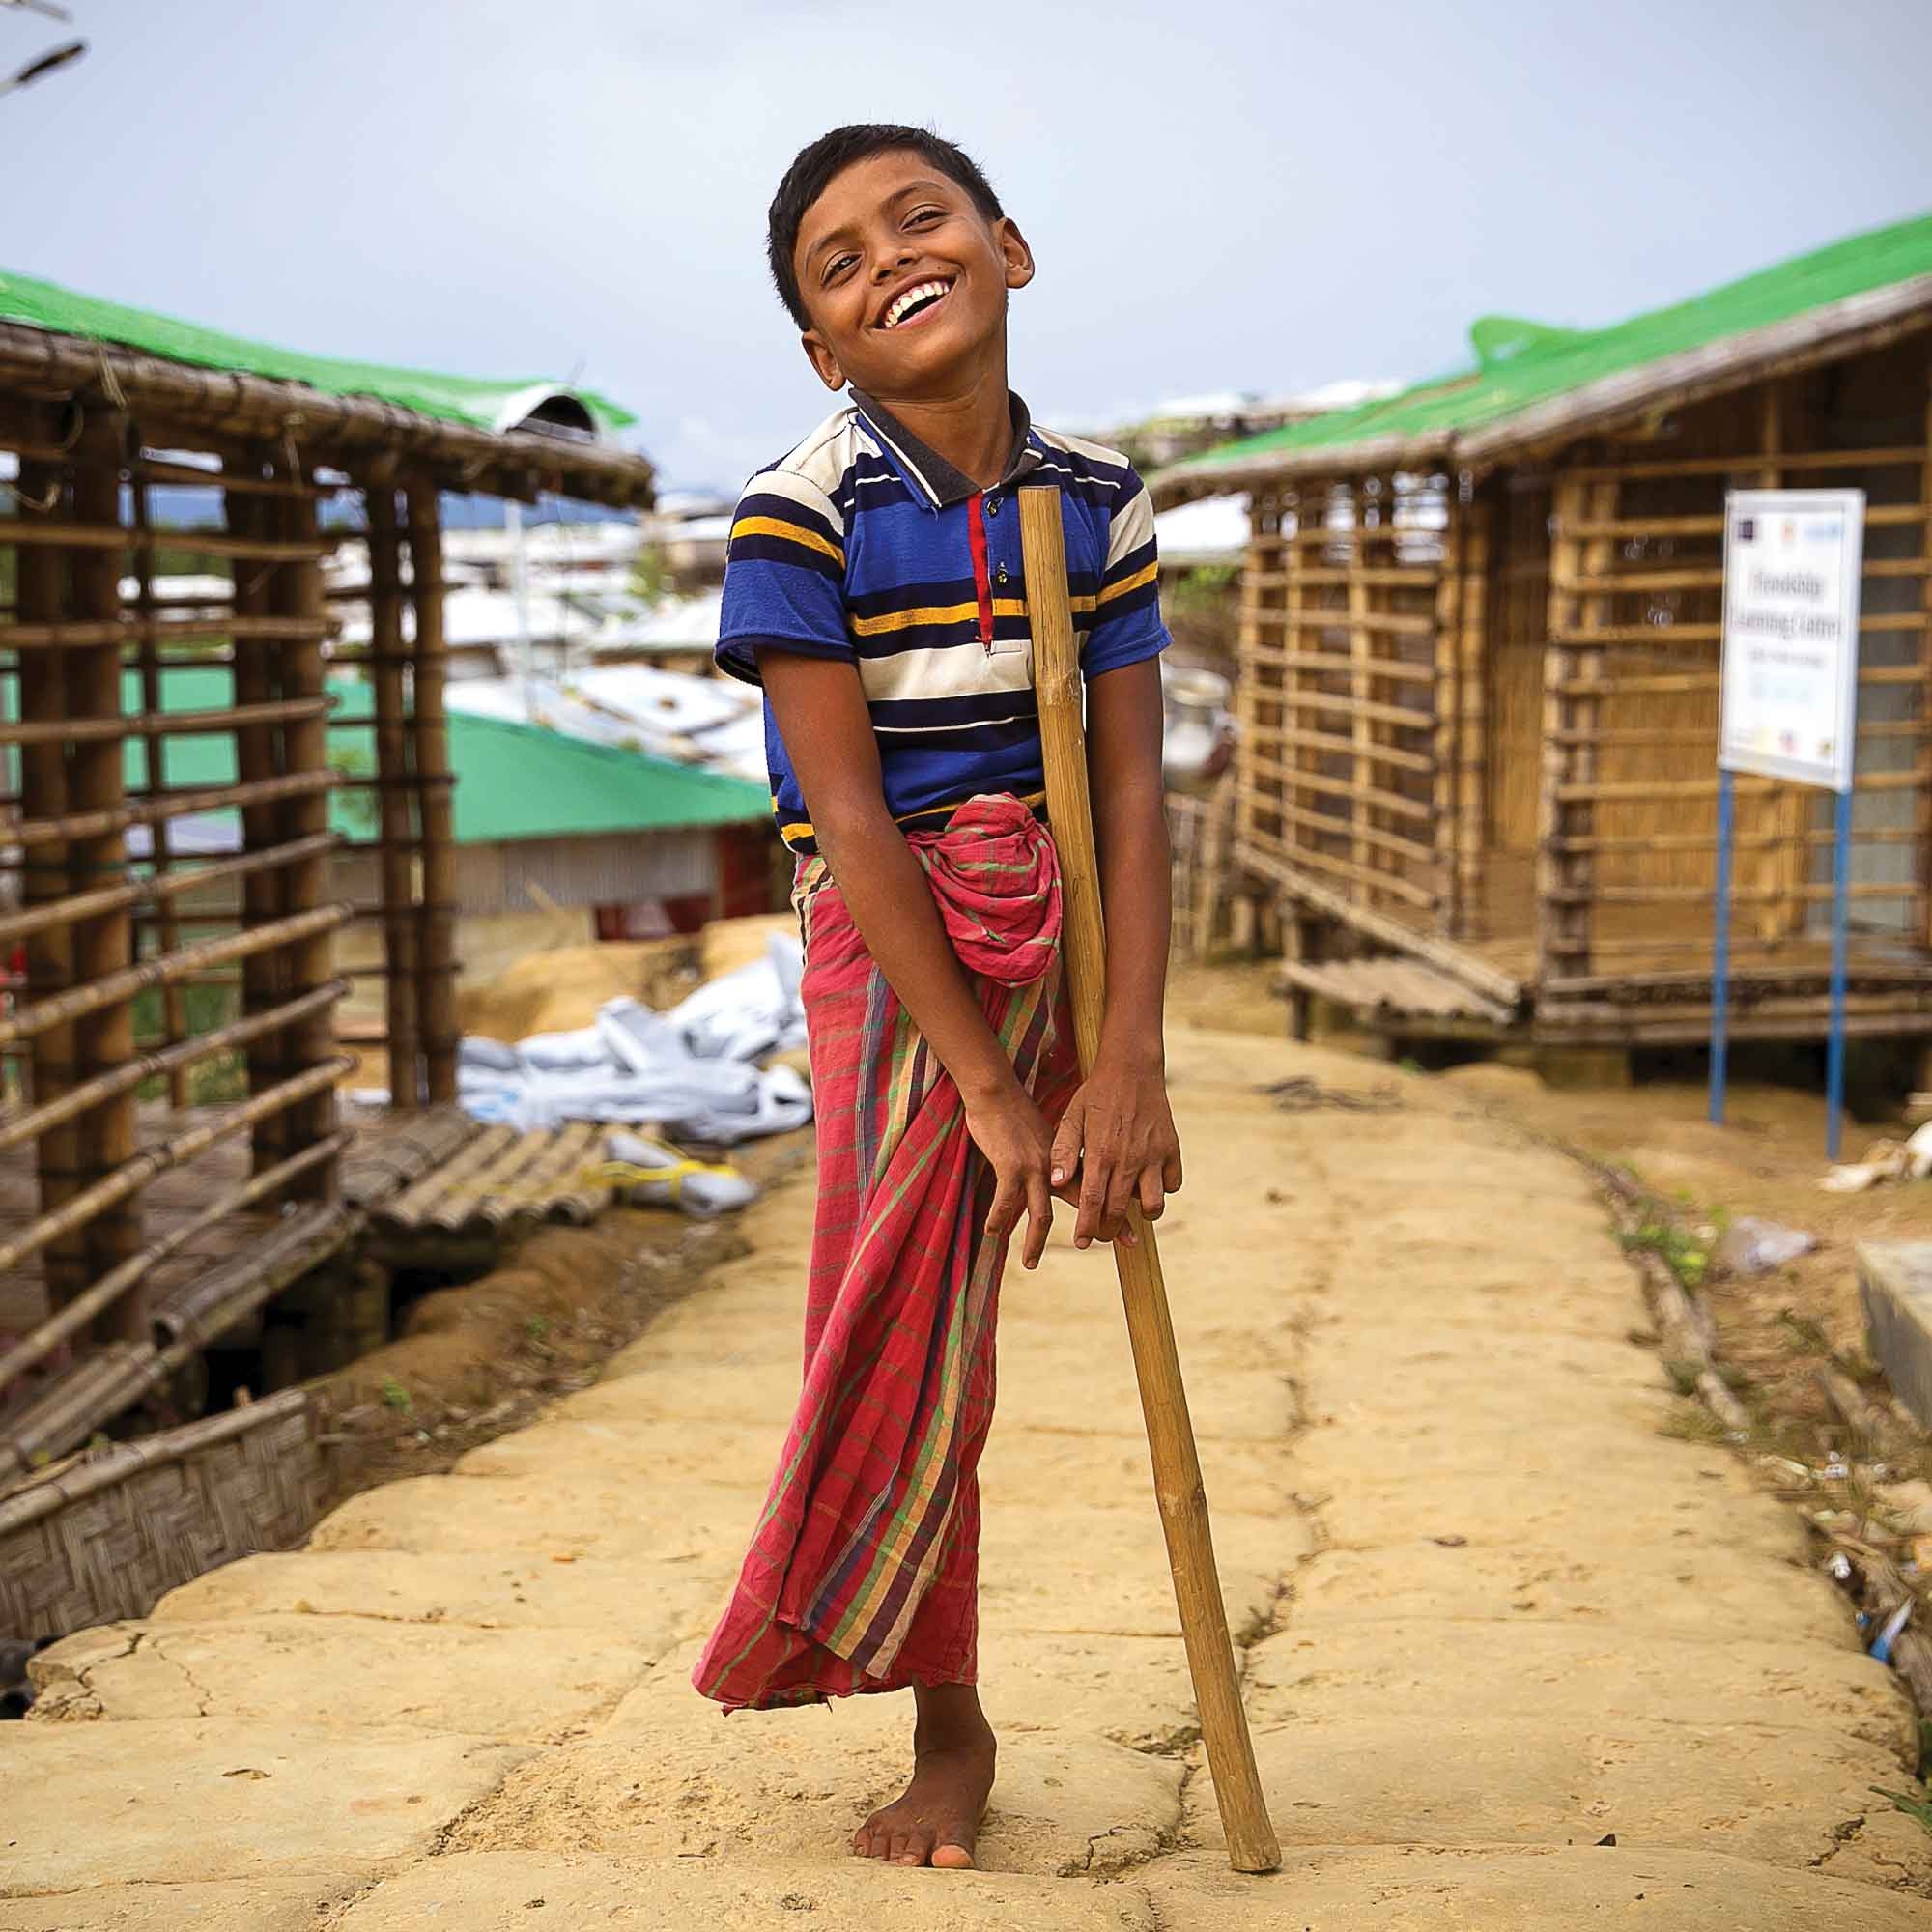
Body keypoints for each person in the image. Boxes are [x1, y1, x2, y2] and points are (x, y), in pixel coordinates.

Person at [692, 123, 1181, 1872]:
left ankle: (951, 1708)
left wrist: (1128, 1061)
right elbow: (848, 826)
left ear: (1009, 248)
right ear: (823, 346)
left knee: (1083, 1254)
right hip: (894, 950)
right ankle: (949, 1731)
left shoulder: (1100, 498)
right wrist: (984, 1083)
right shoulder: (798, 511)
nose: (892, 254)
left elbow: (1127, 794)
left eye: (923, 216)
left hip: (1071, 930)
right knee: (911, 1345)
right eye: (839, 259)